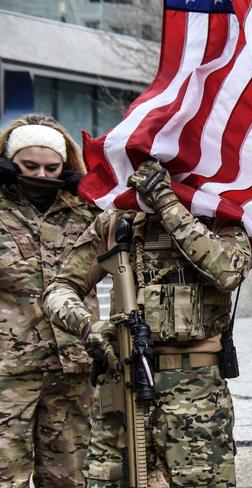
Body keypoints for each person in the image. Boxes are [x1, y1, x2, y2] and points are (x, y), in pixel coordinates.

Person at [43, 160, 252, 487]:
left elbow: (227, 271)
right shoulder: (117, 221)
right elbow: (59, 288)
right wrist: (88, 326)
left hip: (194, 393)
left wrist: (167, 201)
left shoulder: (220, 217)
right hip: (122, 383)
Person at [0, 113, 99, 487]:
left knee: (68, 478)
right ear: (10, 163)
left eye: (51, 168)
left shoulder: (86, 208)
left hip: (73, 366)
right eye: (29, 166)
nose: (41, 176)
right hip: (9, 370)